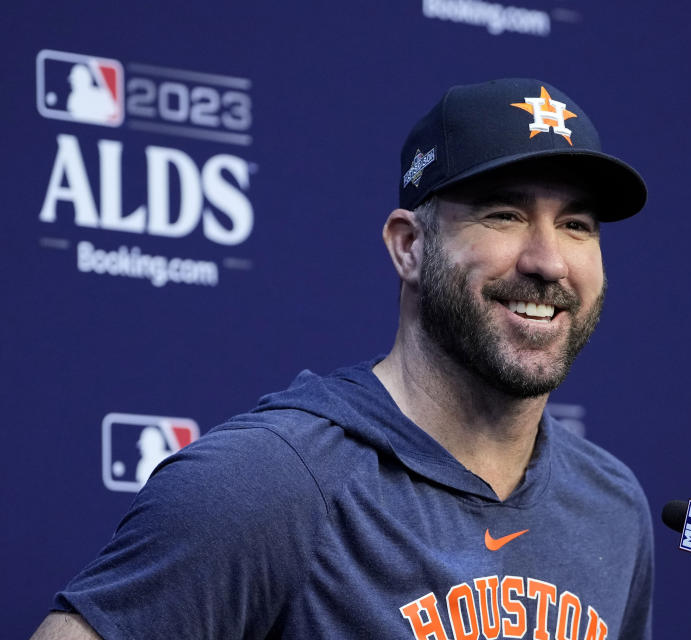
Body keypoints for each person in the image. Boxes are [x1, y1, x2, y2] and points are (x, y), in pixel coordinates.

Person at [31, 78, 654, 640]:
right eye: (504, 215)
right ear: (409, 247)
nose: (548, 261)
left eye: (577, 225)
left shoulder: (610, 505)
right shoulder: (268, 483)